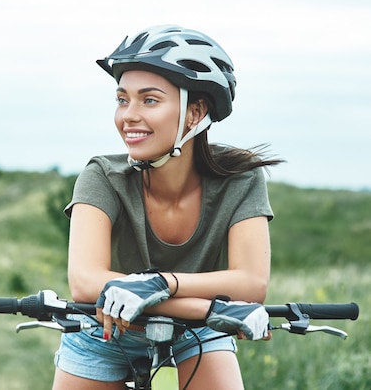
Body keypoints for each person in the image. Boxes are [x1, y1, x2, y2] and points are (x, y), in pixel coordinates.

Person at [52, 25, 283, 390]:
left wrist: (160, 283)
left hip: (200, 332)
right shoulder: (102, 175)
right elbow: (85, 284)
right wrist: (210, 308)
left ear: (195, 112)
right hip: (105, 330)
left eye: (149, 100)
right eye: (121, 99)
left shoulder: (240, 179)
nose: (128, 115)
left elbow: (251, 284)